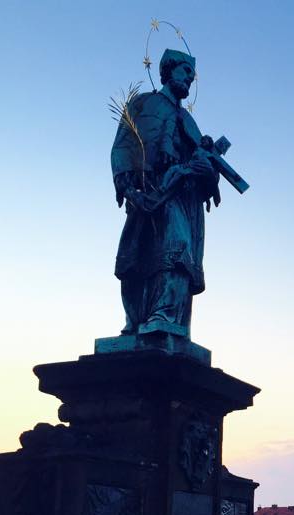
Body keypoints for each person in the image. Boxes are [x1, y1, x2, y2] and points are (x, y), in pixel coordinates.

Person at [110, 49, 223, 337]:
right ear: (168, 70)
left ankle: (166, 315)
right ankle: (136, 319)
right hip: (147, 191)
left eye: (192, 76)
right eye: (185, 71)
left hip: (180, 196)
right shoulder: (143, 104)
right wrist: (126, 185)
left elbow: (207, 169)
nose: (189, 79)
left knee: (177, 249)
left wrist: (205, 167)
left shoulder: (189, 122)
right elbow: (123, 144)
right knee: (137, 254)